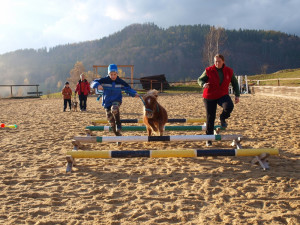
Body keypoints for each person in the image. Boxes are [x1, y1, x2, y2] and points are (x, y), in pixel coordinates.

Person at [198, 54, 240, 146]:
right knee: (210, 117)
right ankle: (208, 139)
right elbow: (200, 79)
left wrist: (237, 95)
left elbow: (235, 83)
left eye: (219, 61)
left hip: (222, 94)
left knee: (229, 106)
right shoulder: (208, 70)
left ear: (223, 61)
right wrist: (203, 84)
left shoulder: (229, 71)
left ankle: (223, 117)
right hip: (209, 96)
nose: (217, 63)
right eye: (215, 61)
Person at [91, 64, 139, 136]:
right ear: (108, 74)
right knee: (111, 121)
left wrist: (134, 93)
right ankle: (118, 134)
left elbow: (128, 89)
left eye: (114, 74)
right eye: (111, 74)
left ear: (117, 74)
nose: (113, 76)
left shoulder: (120, 82)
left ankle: (119, 124)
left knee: (114, 108)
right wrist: (97, 85)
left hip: (116, 100)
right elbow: (92, 83)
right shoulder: (104, 80)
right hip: (107, 103)